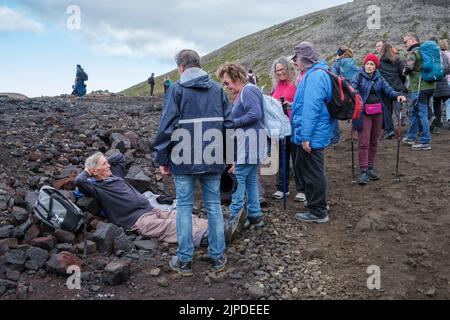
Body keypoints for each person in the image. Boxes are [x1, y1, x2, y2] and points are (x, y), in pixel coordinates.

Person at [152, 49, 235, 276]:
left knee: (184, 209)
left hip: (183, 160)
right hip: (213, 158)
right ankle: (218, 257)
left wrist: (161, 158)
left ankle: (185, 260)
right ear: (199, 64)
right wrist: (229, 157)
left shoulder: (176, 91)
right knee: (214, 208)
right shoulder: (218, 90)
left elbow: (166, 127)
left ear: (181, 67)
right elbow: (229, 125)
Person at [75, 152, 244, 249]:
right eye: (104, 164)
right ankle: (209, 238)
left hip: (150, 209)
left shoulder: (114, 175)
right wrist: (89, 170)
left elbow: (120, 158)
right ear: (95, 170)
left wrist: (103, 159)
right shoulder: (96, 186)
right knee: (168, 227)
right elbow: (79, 181)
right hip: (136, 219)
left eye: (107, 162)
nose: (109, 166)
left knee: (181, 217)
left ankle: (221, 227)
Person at [217, 63, 266, 230]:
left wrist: (231, 123)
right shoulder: (243, 93)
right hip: (252, 143)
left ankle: (235, 218)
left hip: (249, 144)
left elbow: (255, 114)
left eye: (226, 82)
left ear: (235, 76)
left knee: (238, 179)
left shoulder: (248, 91)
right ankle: (255, 215)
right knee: (251, 180)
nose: (226, 87)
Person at [290, 41, 332, 224]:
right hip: (313, 130)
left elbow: (312, 108)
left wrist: (306, 136)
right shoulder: (314, 74)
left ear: (303, 58)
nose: (295, 63)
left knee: (313, 171)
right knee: (305, 166)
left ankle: (318, 211)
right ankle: (317, 203)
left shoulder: (315, 76)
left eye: (296, 59)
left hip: (312, 133)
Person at [351, 54, 407, 185]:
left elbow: (388, 90)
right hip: (363, 113)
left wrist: (398, 95)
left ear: (376, 66)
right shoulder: (358, 76)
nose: (369, 66)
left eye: (372, 64)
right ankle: (363, 170)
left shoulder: (379, 77)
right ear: (364, 64)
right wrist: (354, 92)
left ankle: (370, 167)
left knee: (374, 141)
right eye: (367, 64)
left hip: (378, 113)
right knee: (364, 142)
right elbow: (352, 88)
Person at [269, 57, 305, 202]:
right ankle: (282, 188)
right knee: (281, 159)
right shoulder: (276, 86)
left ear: (288, 68)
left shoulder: (297, 83)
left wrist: (290, 105)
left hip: (294, 126)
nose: (280, 73)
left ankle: (302, 190)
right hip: (279, 128)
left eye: (282, 69)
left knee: (297, 160)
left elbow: (301, 104)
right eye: (277, 71)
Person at [401, 33, 436, 151]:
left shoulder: (414, 52)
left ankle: (425, 141)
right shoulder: (425, 51)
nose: (404, 44)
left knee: (421, 113)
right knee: (414, 112)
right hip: (430, 86)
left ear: (412, 40)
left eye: (405, 42)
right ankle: (411, 136)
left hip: (419, 87)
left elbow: (409, 68)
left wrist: (404, 71)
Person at [330, 46, 359, 145]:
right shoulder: (353, 61)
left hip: (343, 90)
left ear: (339, 54)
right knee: (354, 111)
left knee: (338, 112)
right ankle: (352, 134)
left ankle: (335, 137)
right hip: (355, 89)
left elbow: (333, 75)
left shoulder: (338, 63)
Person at [378, 42, 408, 137]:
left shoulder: (378, 61)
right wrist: (401, 84)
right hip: (397, 87)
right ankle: (399, 128)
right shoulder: (397, 60)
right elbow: (403, 74)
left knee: (387, 110)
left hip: (384, 89)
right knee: (398, 109)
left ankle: (389, 130)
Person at [431, 39, 450, 134]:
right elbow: (448, 67)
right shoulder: (443, 55)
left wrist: (435, 76)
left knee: (435, 105)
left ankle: (435, 125)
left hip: (433, 83)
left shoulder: (430, 55)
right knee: (440, 104)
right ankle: (437, 126)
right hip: (443, 82)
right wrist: (442, 74)